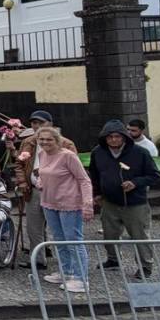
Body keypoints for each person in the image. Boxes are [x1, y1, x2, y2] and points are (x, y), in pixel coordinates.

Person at [89, 119, 160, 277]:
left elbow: (154, 175)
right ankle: (113, 259)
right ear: (104, 138)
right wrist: (97, 193)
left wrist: (136, 182)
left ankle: (145, 266)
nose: (114, 140)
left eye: (117, 136)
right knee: (109, 234)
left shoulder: (140, 152)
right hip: (109, 201)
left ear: (124, 137)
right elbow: (94, 175)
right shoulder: (98, 152)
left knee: (139, 235)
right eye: (110, 137)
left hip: (135, 203)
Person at [33, 126, 93, 293]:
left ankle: (81, 279)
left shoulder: (68, 156)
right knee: (58, 239)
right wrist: (40, 182)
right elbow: (43, 174)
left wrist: (87, 204)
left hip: (69, 204)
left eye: (49, 139)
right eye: (42, 139)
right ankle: (66, 272)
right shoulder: (41, 154)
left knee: (73, 240)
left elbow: (84, 180)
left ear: (57, 140)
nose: (45, 142)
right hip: (49, 203)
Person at [14, 110, 76, 267]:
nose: (37, 126)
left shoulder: (66, 143)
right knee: (33, 227)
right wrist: (22, 181)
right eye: (34, 123)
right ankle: (38, 259)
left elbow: (75, 169)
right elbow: (19, 164)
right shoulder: (28, 142)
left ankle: (68, 262)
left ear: (50, 124)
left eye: (41, 123)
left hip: (57, 192)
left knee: (60, 228)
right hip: (33, 189)